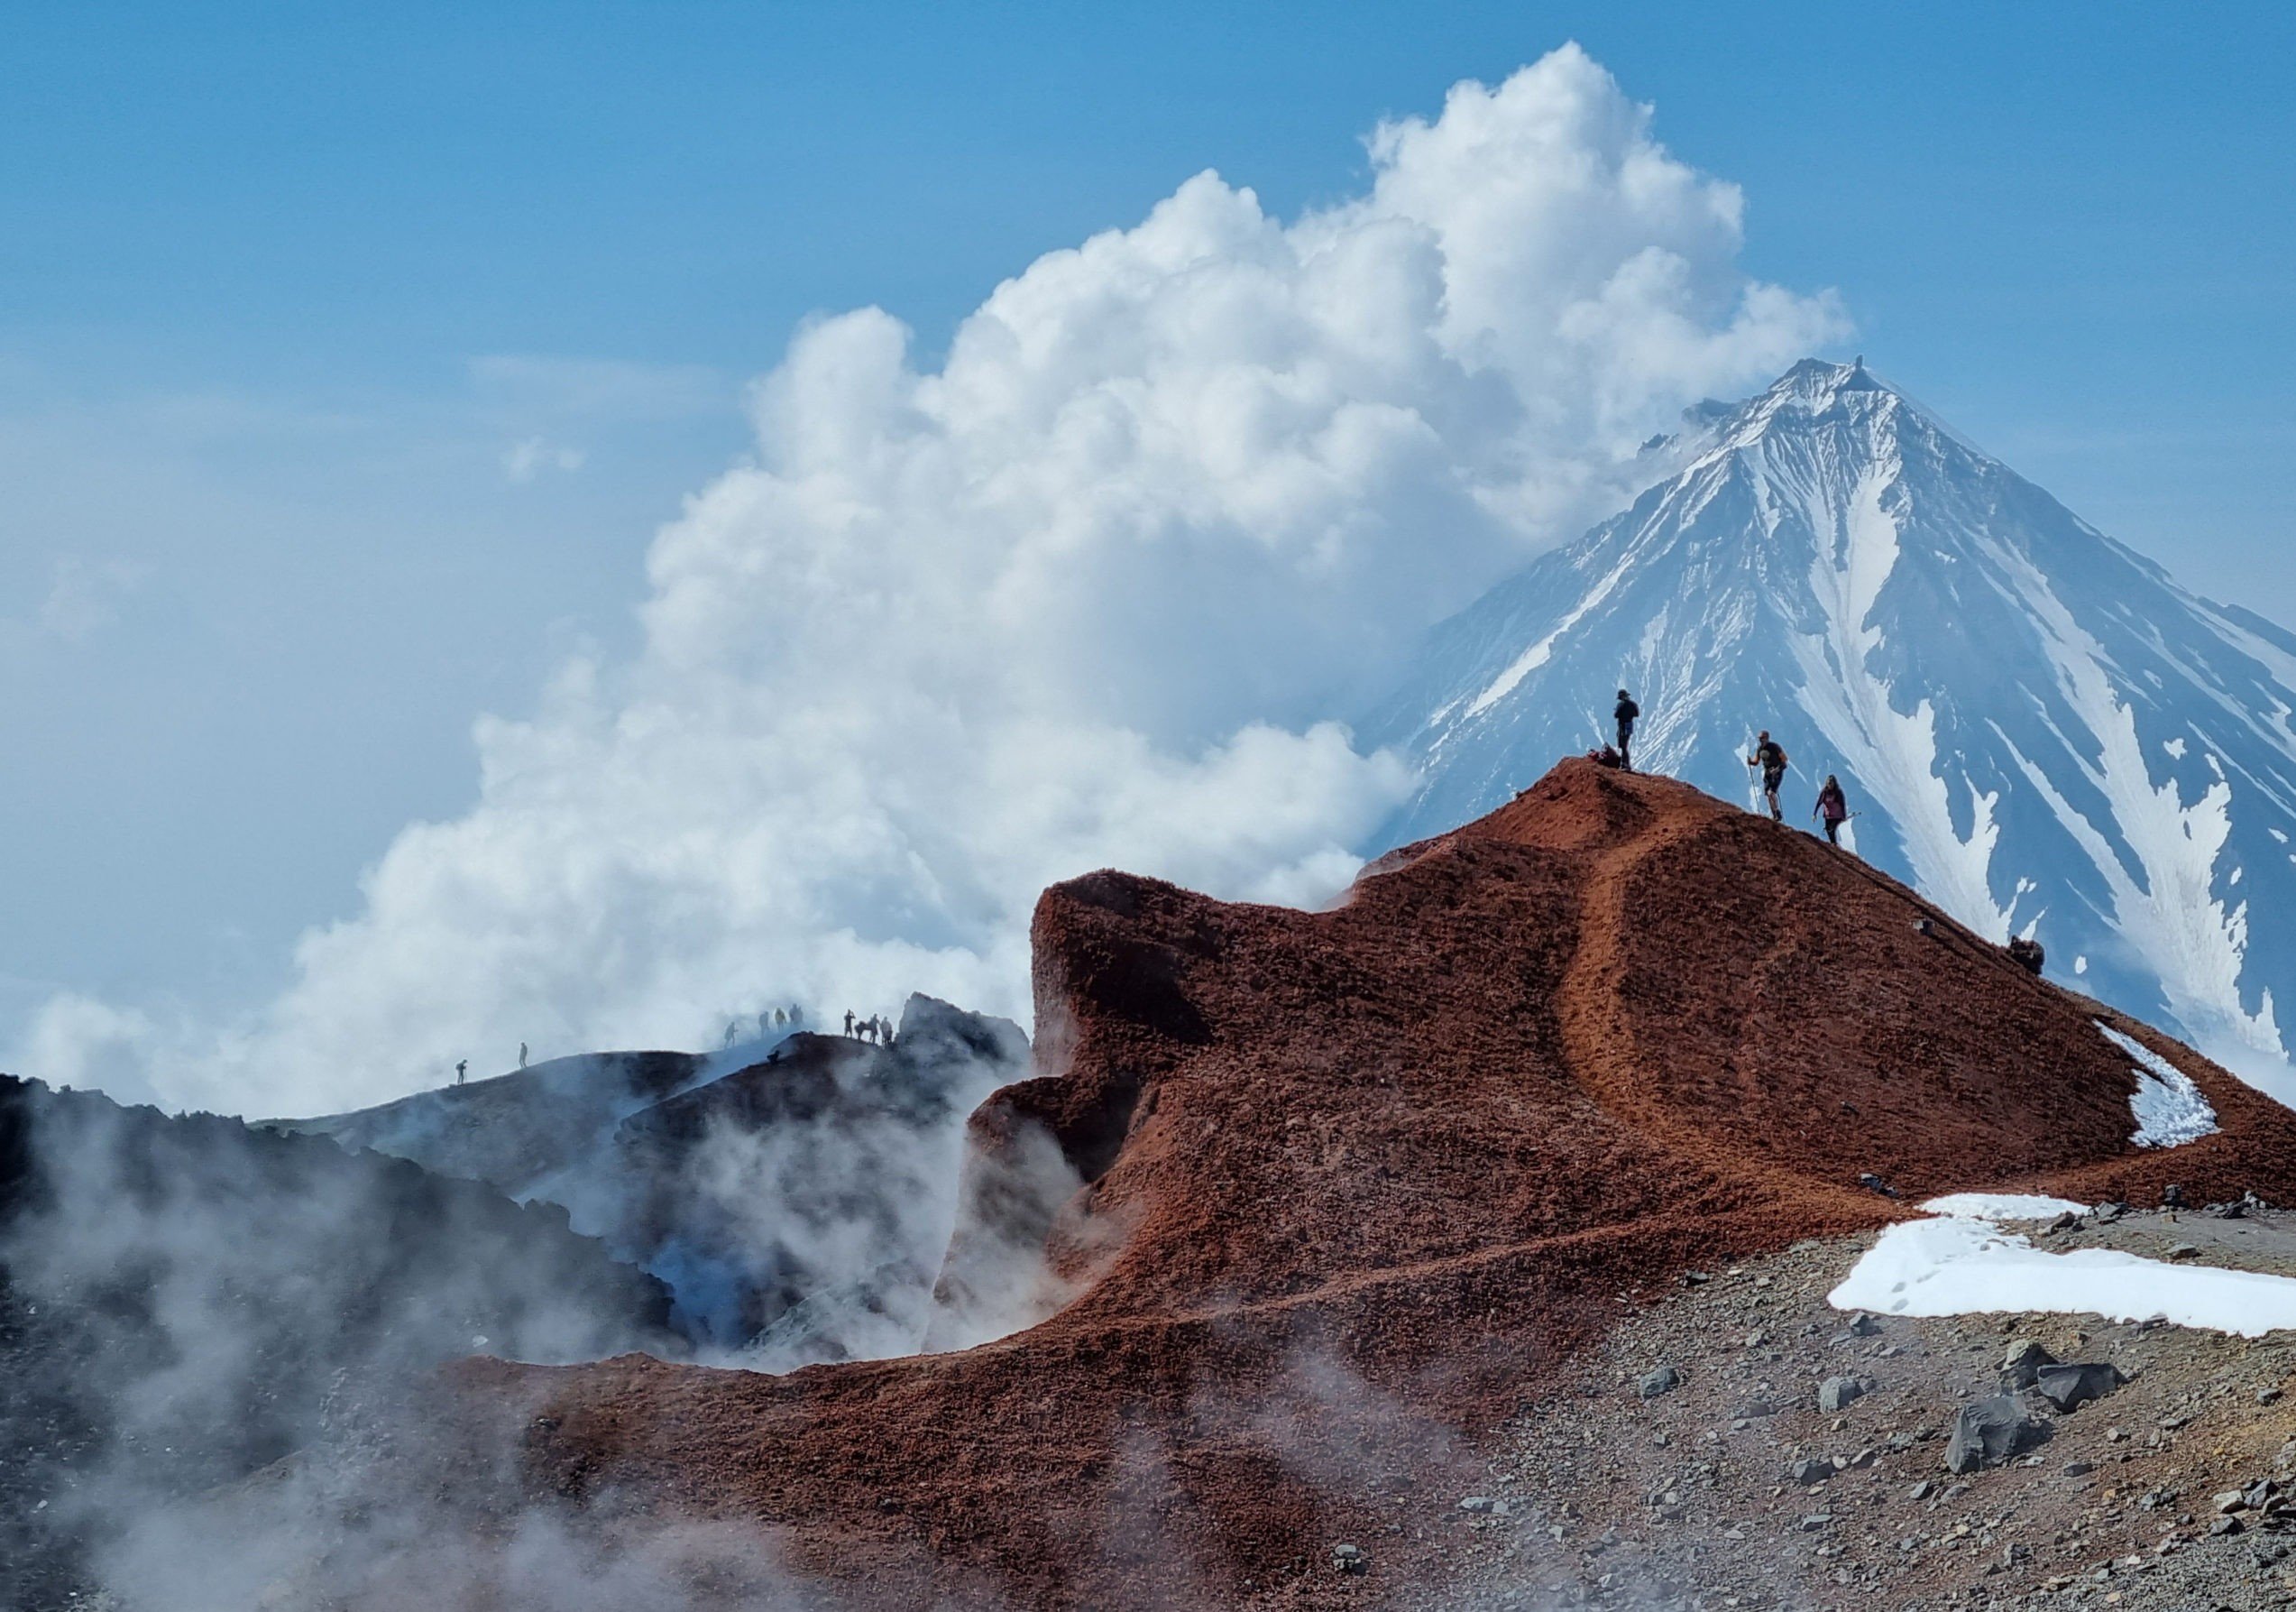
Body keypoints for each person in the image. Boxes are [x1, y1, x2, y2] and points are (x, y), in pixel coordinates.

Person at [1746, 732, 1789, 821]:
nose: (1760, 740)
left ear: (1767, 738)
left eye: (1762, 738)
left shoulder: (1774, 747)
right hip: (1768, 773)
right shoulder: (1760, 749)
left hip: (1777, 772)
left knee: (1771, 793)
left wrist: (1777, 769)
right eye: (1759, 739)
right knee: (1768, 794)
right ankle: (1775, 815)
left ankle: (1777, 812)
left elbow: (1784, 760)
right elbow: (1756, 761)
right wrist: (1750, 762)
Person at [1814, 774, 1851, 845]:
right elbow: (1819, 802)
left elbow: (1842, 804)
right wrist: (1814, 814)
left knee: (1832, 829)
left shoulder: (1838, 793)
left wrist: (1844, 815)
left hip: (1837, 815)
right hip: (1828, 815)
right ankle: (1833, 844)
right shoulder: (1824, 792)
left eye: (1831, 783)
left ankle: (1833, 844)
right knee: (1828, 830)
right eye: (1829, 784)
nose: (1830, 785)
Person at [1613, 689, 1640, 772]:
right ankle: (1625, 763)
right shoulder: (1633, 704)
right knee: (1625, 744)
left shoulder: (1621, 705)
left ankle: (1625, 764)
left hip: (1622, 725)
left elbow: (1616, 715)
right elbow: (1637, 714)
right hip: (1629, 725)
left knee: (1622, 745)